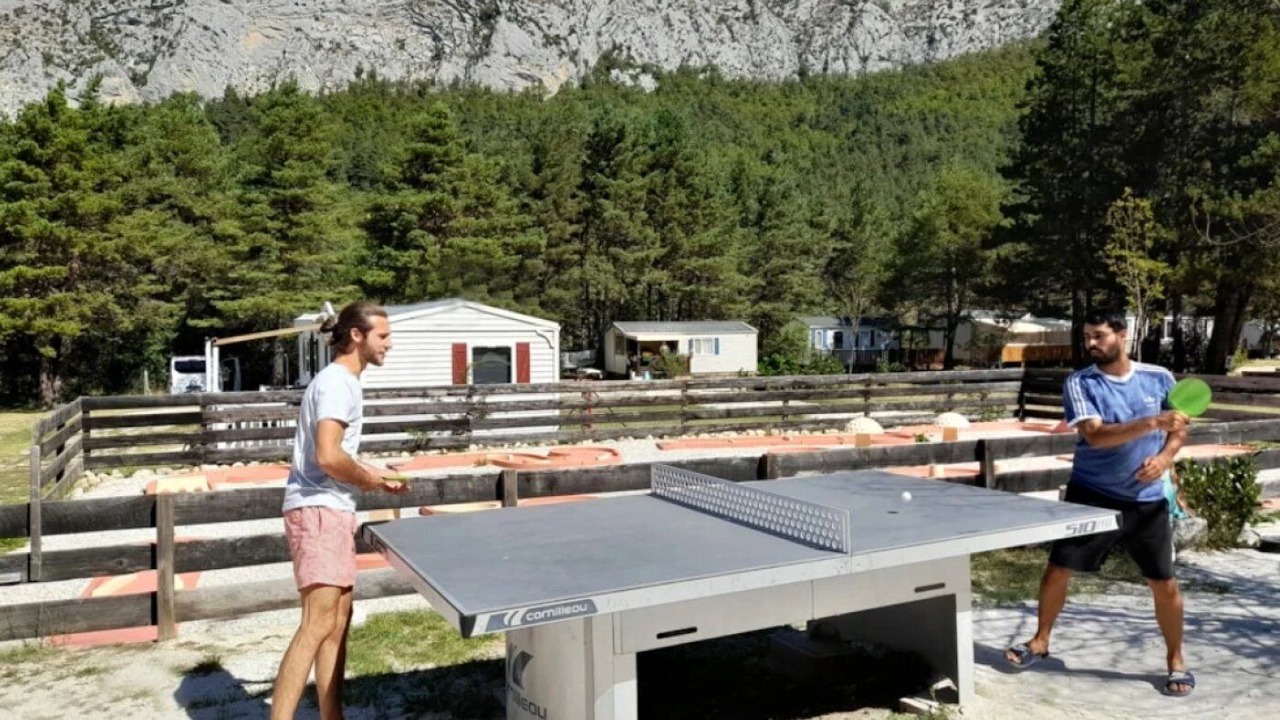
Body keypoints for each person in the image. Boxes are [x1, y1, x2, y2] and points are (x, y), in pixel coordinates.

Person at [1004, 310, 1195, 697]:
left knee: (1164, 583)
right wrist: (1151, 423)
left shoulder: (1159, 377)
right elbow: (1095, 436)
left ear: (1122, 335)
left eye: (1099, 336)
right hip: (1092, 494)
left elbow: (1179, 427)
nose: (1091, 343)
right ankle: (1040, 641)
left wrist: (1164, 458)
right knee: (1058, 570)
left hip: (1146, 501)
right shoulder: (1080, 382)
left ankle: (1176, 660)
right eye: (1087, 337)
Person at [271, 301, 409, 720]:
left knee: (336, 623)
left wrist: (377, 474)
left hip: (331, 509)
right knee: (317, 624)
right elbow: (329, 457)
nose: (389, 344)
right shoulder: (337, 384)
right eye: (383, 336)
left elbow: (338, 456)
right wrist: (370, 480)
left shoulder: (343, 382)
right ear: (356, 335)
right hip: (318, 510)